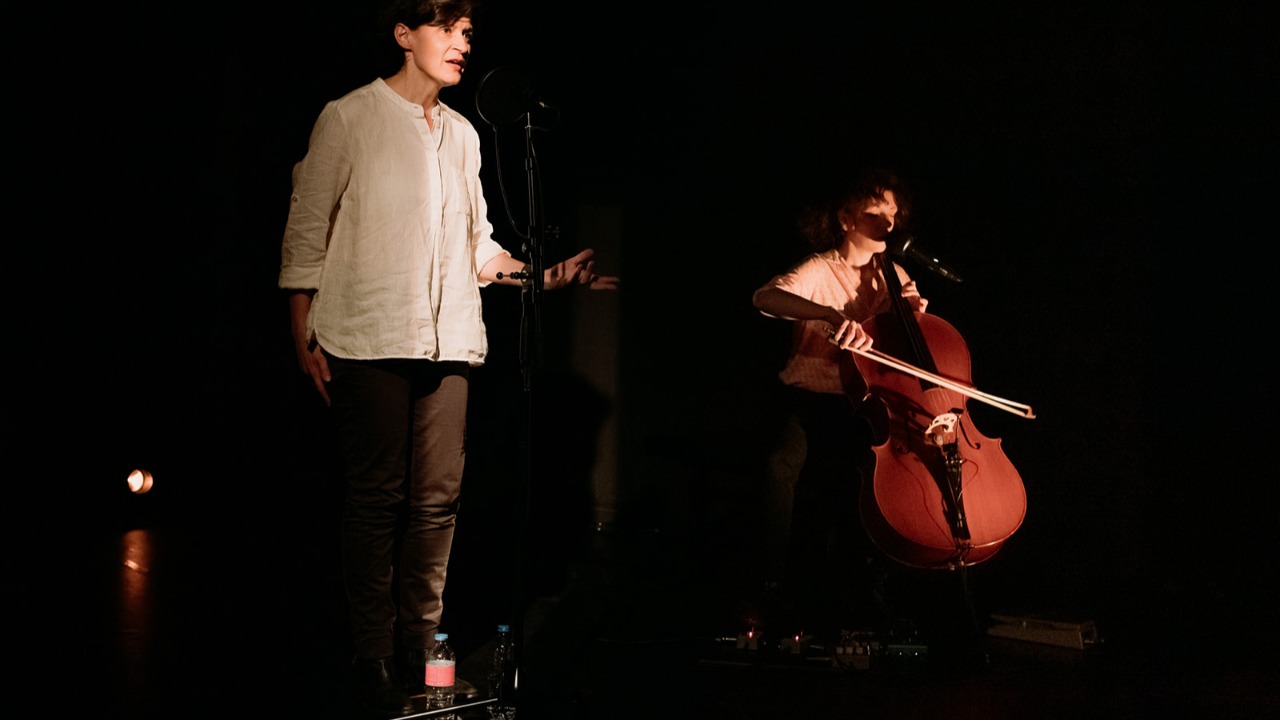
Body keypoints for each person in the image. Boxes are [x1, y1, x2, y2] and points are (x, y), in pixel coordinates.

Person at [278, 0, 618, 714]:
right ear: (404, 34)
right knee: (377, 500)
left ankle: (418, 643)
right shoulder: (349, 117)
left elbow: (477, 243)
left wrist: (543, 276)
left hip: (449, 338)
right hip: (366, 333)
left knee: (437, 500)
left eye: (468, 32)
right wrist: (302, 326)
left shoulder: (463, 133)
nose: (464, 43)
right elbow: (307, 226)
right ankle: (371, 650)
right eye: (448, 28)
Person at [751, 167, 927, 642]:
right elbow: (765, 297)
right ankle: (769, 585)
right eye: (876, 212)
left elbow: (909, 345)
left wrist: (910, 316)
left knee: (869, 487)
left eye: (894, 213)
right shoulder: (818, 268)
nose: (889, 222)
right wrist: (829, 314)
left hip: (868, 405)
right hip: (810, 397)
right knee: (778, 467)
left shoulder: (896, 275)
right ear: (847, 218)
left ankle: (865, 588)